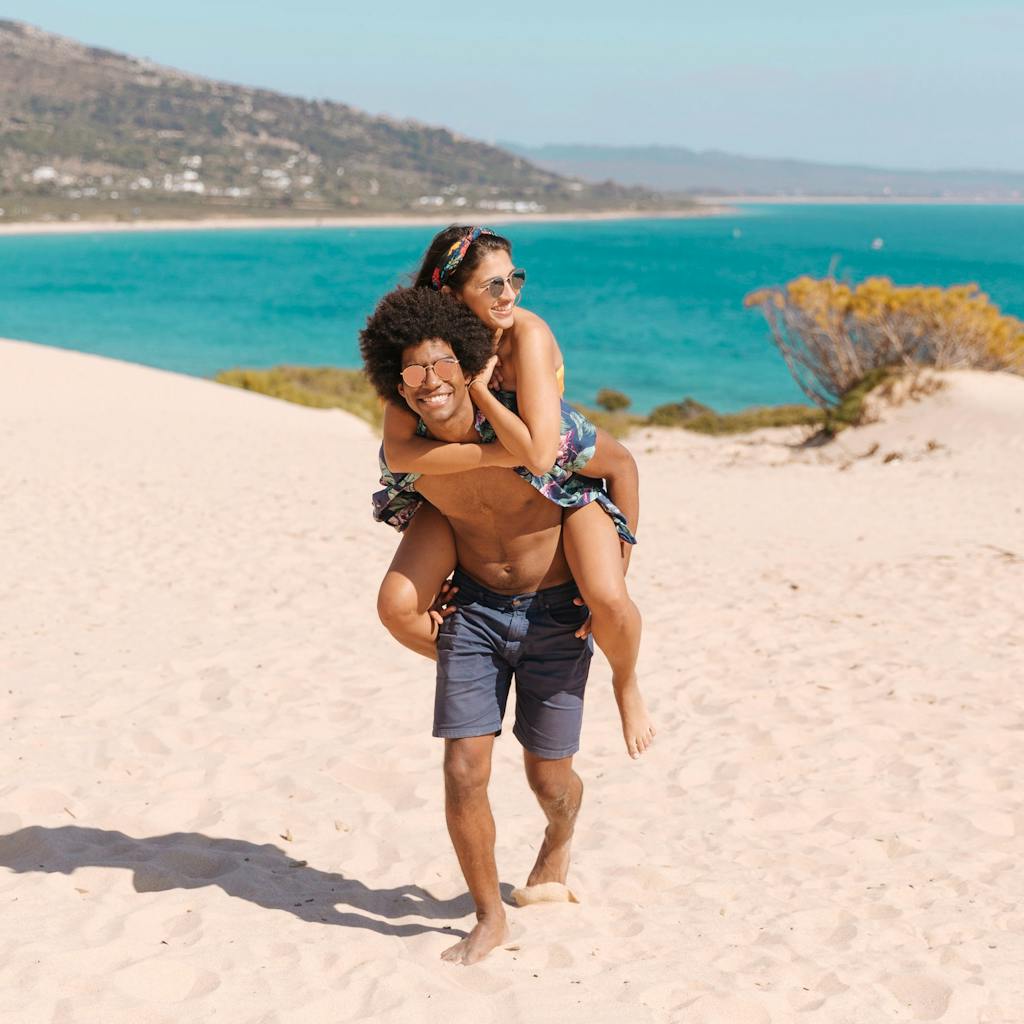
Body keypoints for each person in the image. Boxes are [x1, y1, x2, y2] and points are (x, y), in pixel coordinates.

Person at [359, 287, 652, 965]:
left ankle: (560, 834)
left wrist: (623, 558)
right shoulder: (410, 444)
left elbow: (619, 465)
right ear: (394, 382)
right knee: (464, 767)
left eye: (440, 367)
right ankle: (490, 917)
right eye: (412, 372)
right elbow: (406, 474)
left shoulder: (536, 432)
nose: (427, 383)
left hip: (557, 615)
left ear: (467, 366)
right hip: (475, 612)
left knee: (550, 780)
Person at [376, 225, 651, 758]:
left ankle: (625, 682)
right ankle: (483, 662)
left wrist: (623, 561)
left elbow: (544, 454)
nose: (509, 294)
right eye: (492, 285)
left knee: (610, 597)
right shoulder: (428, 347)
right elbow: (399, 453)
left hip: (554, 457)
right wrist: (494, 450)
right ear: (452, 295)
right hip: (493, 467)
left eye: (513, 278)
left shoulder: (526, 334)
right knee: (396, 606)